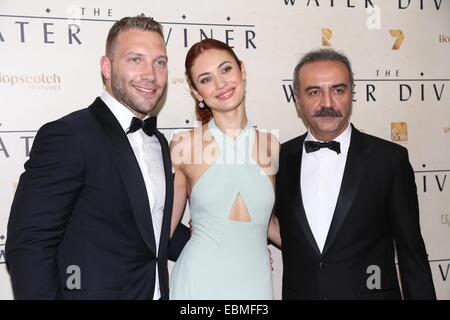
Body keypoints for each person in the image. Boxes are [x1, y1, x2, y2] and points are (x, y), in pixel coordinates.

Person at [5, 15, 189, 300]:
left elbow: (150, 226)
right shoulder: (70, 136)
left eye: (159, 62)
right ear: (107, 67)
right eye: (135, 59)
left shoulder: (159, 142)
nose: (151, 74)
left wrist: (233, 245)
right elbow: (29, 244)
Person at [275, 48, 436, 300]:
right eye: (314, 92)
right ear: (297, 99)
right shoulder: (279, 159)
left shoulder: (389, 160)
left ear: (351, 94)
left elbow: (411, 253)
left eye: (338, 90)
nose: (327, 103)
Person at [169, 38, 281, 299]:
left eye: (226, 69)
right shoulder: (184, 146)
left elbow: (268, 223)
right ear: (197, 94)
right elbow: (164, 231)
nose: (220, 84)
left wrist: (327, 255)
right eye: (206, 79)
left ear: (242, 70)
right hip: (199, 282)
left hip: (255, 282)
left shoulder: (271, 146)